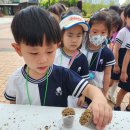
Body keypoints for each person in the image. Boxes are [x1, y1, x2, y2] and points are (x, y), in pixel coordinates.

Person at [4, 6, 112, 130]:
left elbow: (89, 89)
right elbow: (13, 107)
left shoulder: (63, 75)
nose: (43, 60)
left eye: (50, 51)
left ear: (57, 46)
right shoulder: (15, 80)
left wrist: (99, 99)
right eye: (34, 53)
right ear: (18, 49)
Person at [54, 9, 90, 107]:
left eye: (79, 35)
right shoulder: (54, 54)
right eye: (70, 35)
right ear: (61, 36)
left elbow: (85, 79)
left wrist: (83, 96)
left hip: (74, 99)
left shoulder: (82, 59)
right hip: (56, 96)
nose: (74, 40)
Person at [81, 11, 116, 97]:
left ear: (108, 33)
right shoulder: (81, 47)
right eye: (95, 32)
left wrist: (104, 92)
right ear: (89, 30)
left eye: (103, 32)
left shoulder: (108, 54)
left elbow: (107, 74)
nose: (98, 35)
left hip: (97, 91)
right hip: (80, 89)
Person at [113, 5, 130, 111]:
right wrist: (116, 64)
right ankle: (117, 106)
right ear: (126, 17)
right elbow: (116, 49)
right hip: (125, 62)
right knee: (124, 88)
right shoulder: (123, 31)